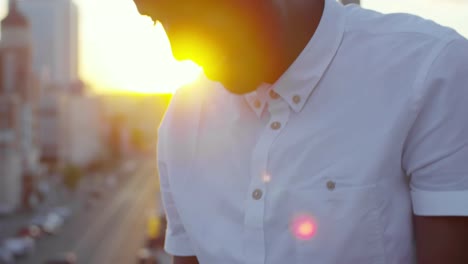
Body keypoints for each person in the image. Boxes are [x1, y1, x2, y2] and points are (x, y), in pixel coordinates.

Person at [133, 0, 468, 263]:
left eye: (188, 12)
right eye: (157, 20)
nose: (178, 52)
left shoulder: (431, 72)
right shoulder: (183, 118)